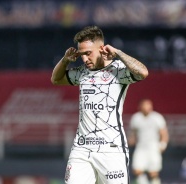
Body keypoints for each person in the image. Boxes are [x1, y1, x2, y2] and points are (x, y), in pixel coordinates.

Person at [51, 25, 148, 184]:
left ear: (102, 48)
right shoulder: (82, 73)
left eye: (88, 53)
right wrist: (65, 60)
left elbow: (143, 73)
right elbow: (55, 79)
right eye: (81, 54)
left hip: (111, 150)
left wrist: (118, 53)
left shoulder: (118, 71)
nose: (84, 59)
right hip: (81, 149)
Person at [128, 99, 169, 184]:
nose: (147, 107)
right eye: (145, 105)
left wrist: (163, 144)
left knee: (153, 172)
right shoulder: (136, 118)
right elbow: (133, 132)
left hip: (153, 147)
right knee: (137, 170)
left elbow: (164, 133)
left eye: (148, 105)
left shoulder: (157, 117)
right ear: (140, 106)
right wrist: (131, 140)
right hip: (141, 147)